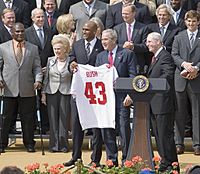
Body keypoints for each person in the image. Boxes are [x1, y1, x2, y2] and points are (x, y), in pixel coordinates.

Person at [63, 21, 104, 167]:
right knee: (75, 125)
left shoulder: (101, 45)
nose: (84, 31)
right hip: (79, 92)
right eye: (83, 29)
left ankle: (95, 159)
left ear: (95, 31)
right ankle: (75, 157)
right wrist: (71, 65)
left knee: (96, 127)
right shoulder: (78, 44)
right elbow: (71, 61)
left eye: (87, 29)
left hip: (95, 94)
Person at [95, 29, 137, 165]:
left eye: (106, 39)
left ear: (114, 40)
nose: (103, 42)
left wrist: (130, 94)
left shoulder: (127, 54)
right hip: (106, 99)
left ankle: (127, 159)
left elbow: (132, 75)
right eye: (102, 40)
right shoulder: (100, 56)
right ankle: (111, 160)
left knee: (124, 128)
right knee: (107, 129)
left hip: (122, 97)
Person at [0, 22, 43, 153]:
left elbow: (37, 67)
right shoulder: (2, 47)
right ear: (12, 32)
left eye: (22, 31)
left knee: (28, 119)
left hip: (27, 88)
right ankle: (2, 144)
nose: (20, 33)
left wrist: (38, 80)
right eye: (17, 31)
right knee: (5, 119)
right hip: (8, 88)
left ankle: (29, 144)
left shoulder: (33, 48)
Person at [146, 32, 178, 173]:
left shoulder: (165, 56)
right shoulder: (155, 57)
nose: (147, 44)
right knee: (159, 135)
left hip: (163, 104)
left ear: (158, 42)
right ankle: (165, 161)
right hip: (154, 104)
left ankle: (171, 163)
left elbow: (168, 75)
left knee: (165, 135)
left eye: (149, 42)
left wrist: (151, 84)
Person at [172, 10, 200, 155]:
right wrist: (184, 65)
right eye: (189, 21)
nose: (191, 23)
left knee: (197, 113)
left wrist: (196, 68)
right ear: (185, 22)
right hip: (180, 78)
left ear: (198, 22)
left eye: (194, 21)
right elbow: (174, 54)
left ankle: (197, 144)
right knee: (179, 113)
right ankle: (179, 143)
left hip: (197, 79)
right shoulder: (179, 37)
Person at [25, 8, 54, 134]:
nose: (41, 19)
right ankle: (34, 127)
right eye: (38, 17)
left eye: (42, 17)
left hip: (47, 71)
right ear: (32, 18)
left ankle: (45, 126)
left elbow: (53, 52)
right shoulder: (26, 33)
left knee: (45, 100)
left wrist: (49, 66)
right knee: (31, 101)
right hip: (31, 72)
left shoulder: (50, 32)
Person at [41, 34, 72, 153]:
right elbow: (46, 78)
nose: (56, 51)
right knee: (53, 119)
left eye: (59, 48)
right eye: (55, 49)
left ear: (65, 48)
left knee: (64, 119)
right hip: (51, 91)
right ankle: (53, 145)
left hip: (66, 92)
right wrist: (43, 93)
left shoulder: (71, 60)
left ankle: (63, 145)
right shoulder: (50, 60)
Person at [114, 3, 150, 70]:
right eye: (123, 13)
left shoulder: (143, 28)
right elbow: (114, 45)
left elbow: (146, 46)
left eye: (127, 14)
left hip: (137, 64)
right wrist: (123, 46)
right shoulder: (117, 29)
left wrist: (133, 46)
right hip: (121, 64)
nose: (124, 16)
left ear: (134, 13)